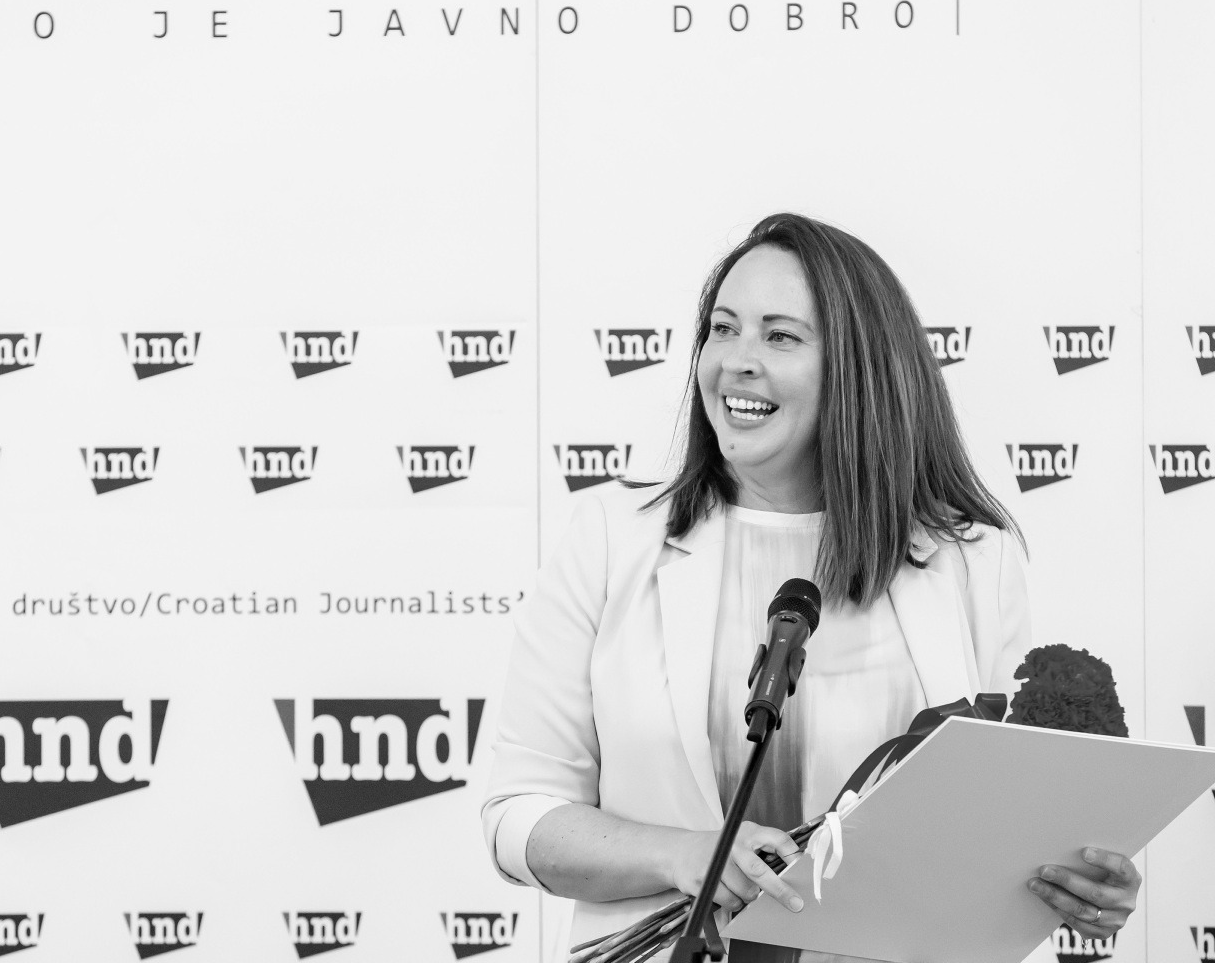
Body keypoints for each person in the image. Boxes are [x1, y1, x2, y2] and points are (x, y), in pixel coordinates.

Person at [481, 213, 1141, 962]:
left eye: (780, 337)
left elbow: (1000, 823)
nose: (737, 361)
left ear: (858, 369)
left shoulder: (971, 559)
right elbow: (517, 817)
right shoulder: (610, 538)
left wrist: (1077, 885)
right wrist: (687, 855)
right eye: (723, 329)